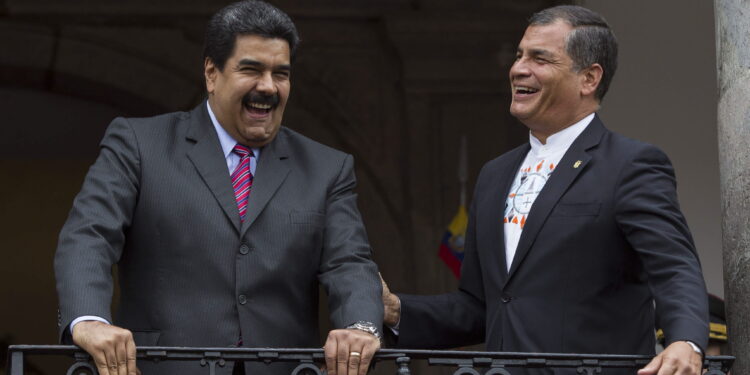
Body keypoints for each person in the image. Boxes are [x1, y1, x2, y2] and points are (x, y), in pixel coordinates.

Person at [54, 1, 382, 375]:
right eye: (252, 70)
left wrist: (360, 327)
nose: (268, 87)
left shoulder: (328, 167)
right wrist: (90, 321)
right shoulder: (139, 144)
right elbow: (88, 235)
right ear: (212, 73)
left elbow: (349, 263)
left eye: (281, 73)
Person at [381, 5, 708, 375]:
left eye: (540, 58)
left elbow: (675, 269)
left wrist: (687, 342)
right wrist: (396, 309)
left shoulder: (630, 165)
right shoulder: (494, 174)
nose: (518, 68)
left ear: (588, 78)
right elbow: (481, 307)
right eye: (520, 55)